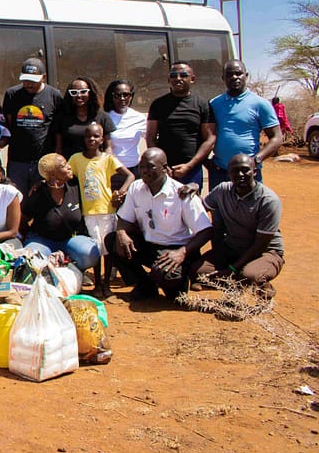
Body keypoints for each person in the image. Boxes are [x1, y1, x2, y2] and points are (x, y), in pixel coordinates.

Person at [107, 148, 213, 301]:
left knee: (170, 286)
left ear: (164, 168)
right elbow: (125, 219)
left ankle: (175, 280)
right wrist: (121, 233)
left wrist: (182, 252)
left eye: (150, 166)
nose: (144, 171)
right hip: (150, 245)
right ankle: (146, 285)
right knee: (113, 241)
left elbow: (206, 231)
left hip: (176, 249)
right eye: (142, 166)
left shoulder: (182, 193)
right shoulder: (136, 188)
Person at [190, 154, 284, 302]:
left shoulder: (268, 200)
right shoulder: (222, 190)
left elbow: (261, 243)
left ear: (254, 172)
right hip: (233, 248)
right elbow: (199, 210)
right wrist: (193, 191)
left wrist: (233, 268)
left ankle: (260, 283)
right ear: (229, 173)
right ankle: (241, 281)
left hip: (264, 252)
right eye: (235, 170)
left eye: (245, 170)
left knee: (250, 275)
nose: (240, 174)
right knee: (197, 272)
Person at [69, 123, 134, 297]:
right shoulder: (76, 159)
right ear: (84, 139)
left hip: (107, 210)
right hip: (88, 212)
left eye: (96, 136)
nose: (92, 139)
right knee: (95, 249)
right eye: (88, 136)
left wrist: (121, 192)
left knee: (108, 249)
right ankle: (97, 283)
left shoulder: (108, 159)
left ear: (102, 139)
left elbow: (130, 175)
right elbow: (66, 175)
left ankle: (107, 284)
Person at [20, 154, 101, 273]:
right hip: (42, 241)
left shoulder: (75, 184)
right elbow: (23, 220)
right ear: (52, 174)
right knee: (32, 259)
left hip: (71, 240)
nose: (69, 167)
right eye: (64, 166)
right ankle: (49, 271)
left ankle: (73, 269)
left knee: (89, 254)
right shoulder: (38, 193)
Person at [209, 60, 282, 185]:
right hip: (220, 172)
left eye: (238, 73)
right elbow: (205, 135)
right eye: (229, 74)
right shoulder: (214, 104)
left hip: (248, 172)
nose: (234, 77)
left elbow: (276, 137)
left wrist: (256, 160)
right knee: (218, 199)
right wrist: (207, 162)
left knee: (250, 199)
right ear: (223, 78)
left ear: (246, 75)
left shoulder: (260, 104)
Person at [146, 61, 215, 189]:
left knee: (190, 201)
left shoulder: (203, 104)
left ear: (192, 79)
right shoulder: (158, 104)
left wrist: (189, 165)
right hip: (164, 171)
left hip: (192, 170)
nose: (178, 78)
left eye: (183, 75)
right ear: (169, 80)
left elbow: (210, 139)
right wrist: (163, 166)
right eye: (173, 75)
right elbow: (150, 137)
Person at [1, 57, 64, 196]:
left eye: (33, 81)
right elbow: (9, 124)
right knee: (16, 198)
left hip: (43, 161)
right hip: (17, 161)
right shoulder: (12, 94)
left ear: (43, 77)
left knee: (42, 198)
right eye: (25, 80)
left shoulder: (54, 95)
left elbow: (58, 129)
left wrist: (57, 155)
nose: (29, 84)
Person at [54, 76, 114, 160]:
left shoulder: (102, 117)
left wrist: (107, 162)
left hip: (95, 164)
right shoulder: (62, 118)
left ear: (91, 93)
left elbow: (108, 147)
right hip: (71, 165)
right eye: (74, 92)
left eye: (83, 91)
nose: (79, 95)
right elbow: (58, 149)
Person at [104, 79, 146, 177]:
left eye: (126, 94)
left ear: (131, 96)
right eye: (118, 95)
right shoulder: (105, 118)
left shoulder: (139, 118)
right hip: (112, 170)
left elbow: (151, 139)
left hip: (135, 168)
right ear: (112, 97)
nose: (122, 98)